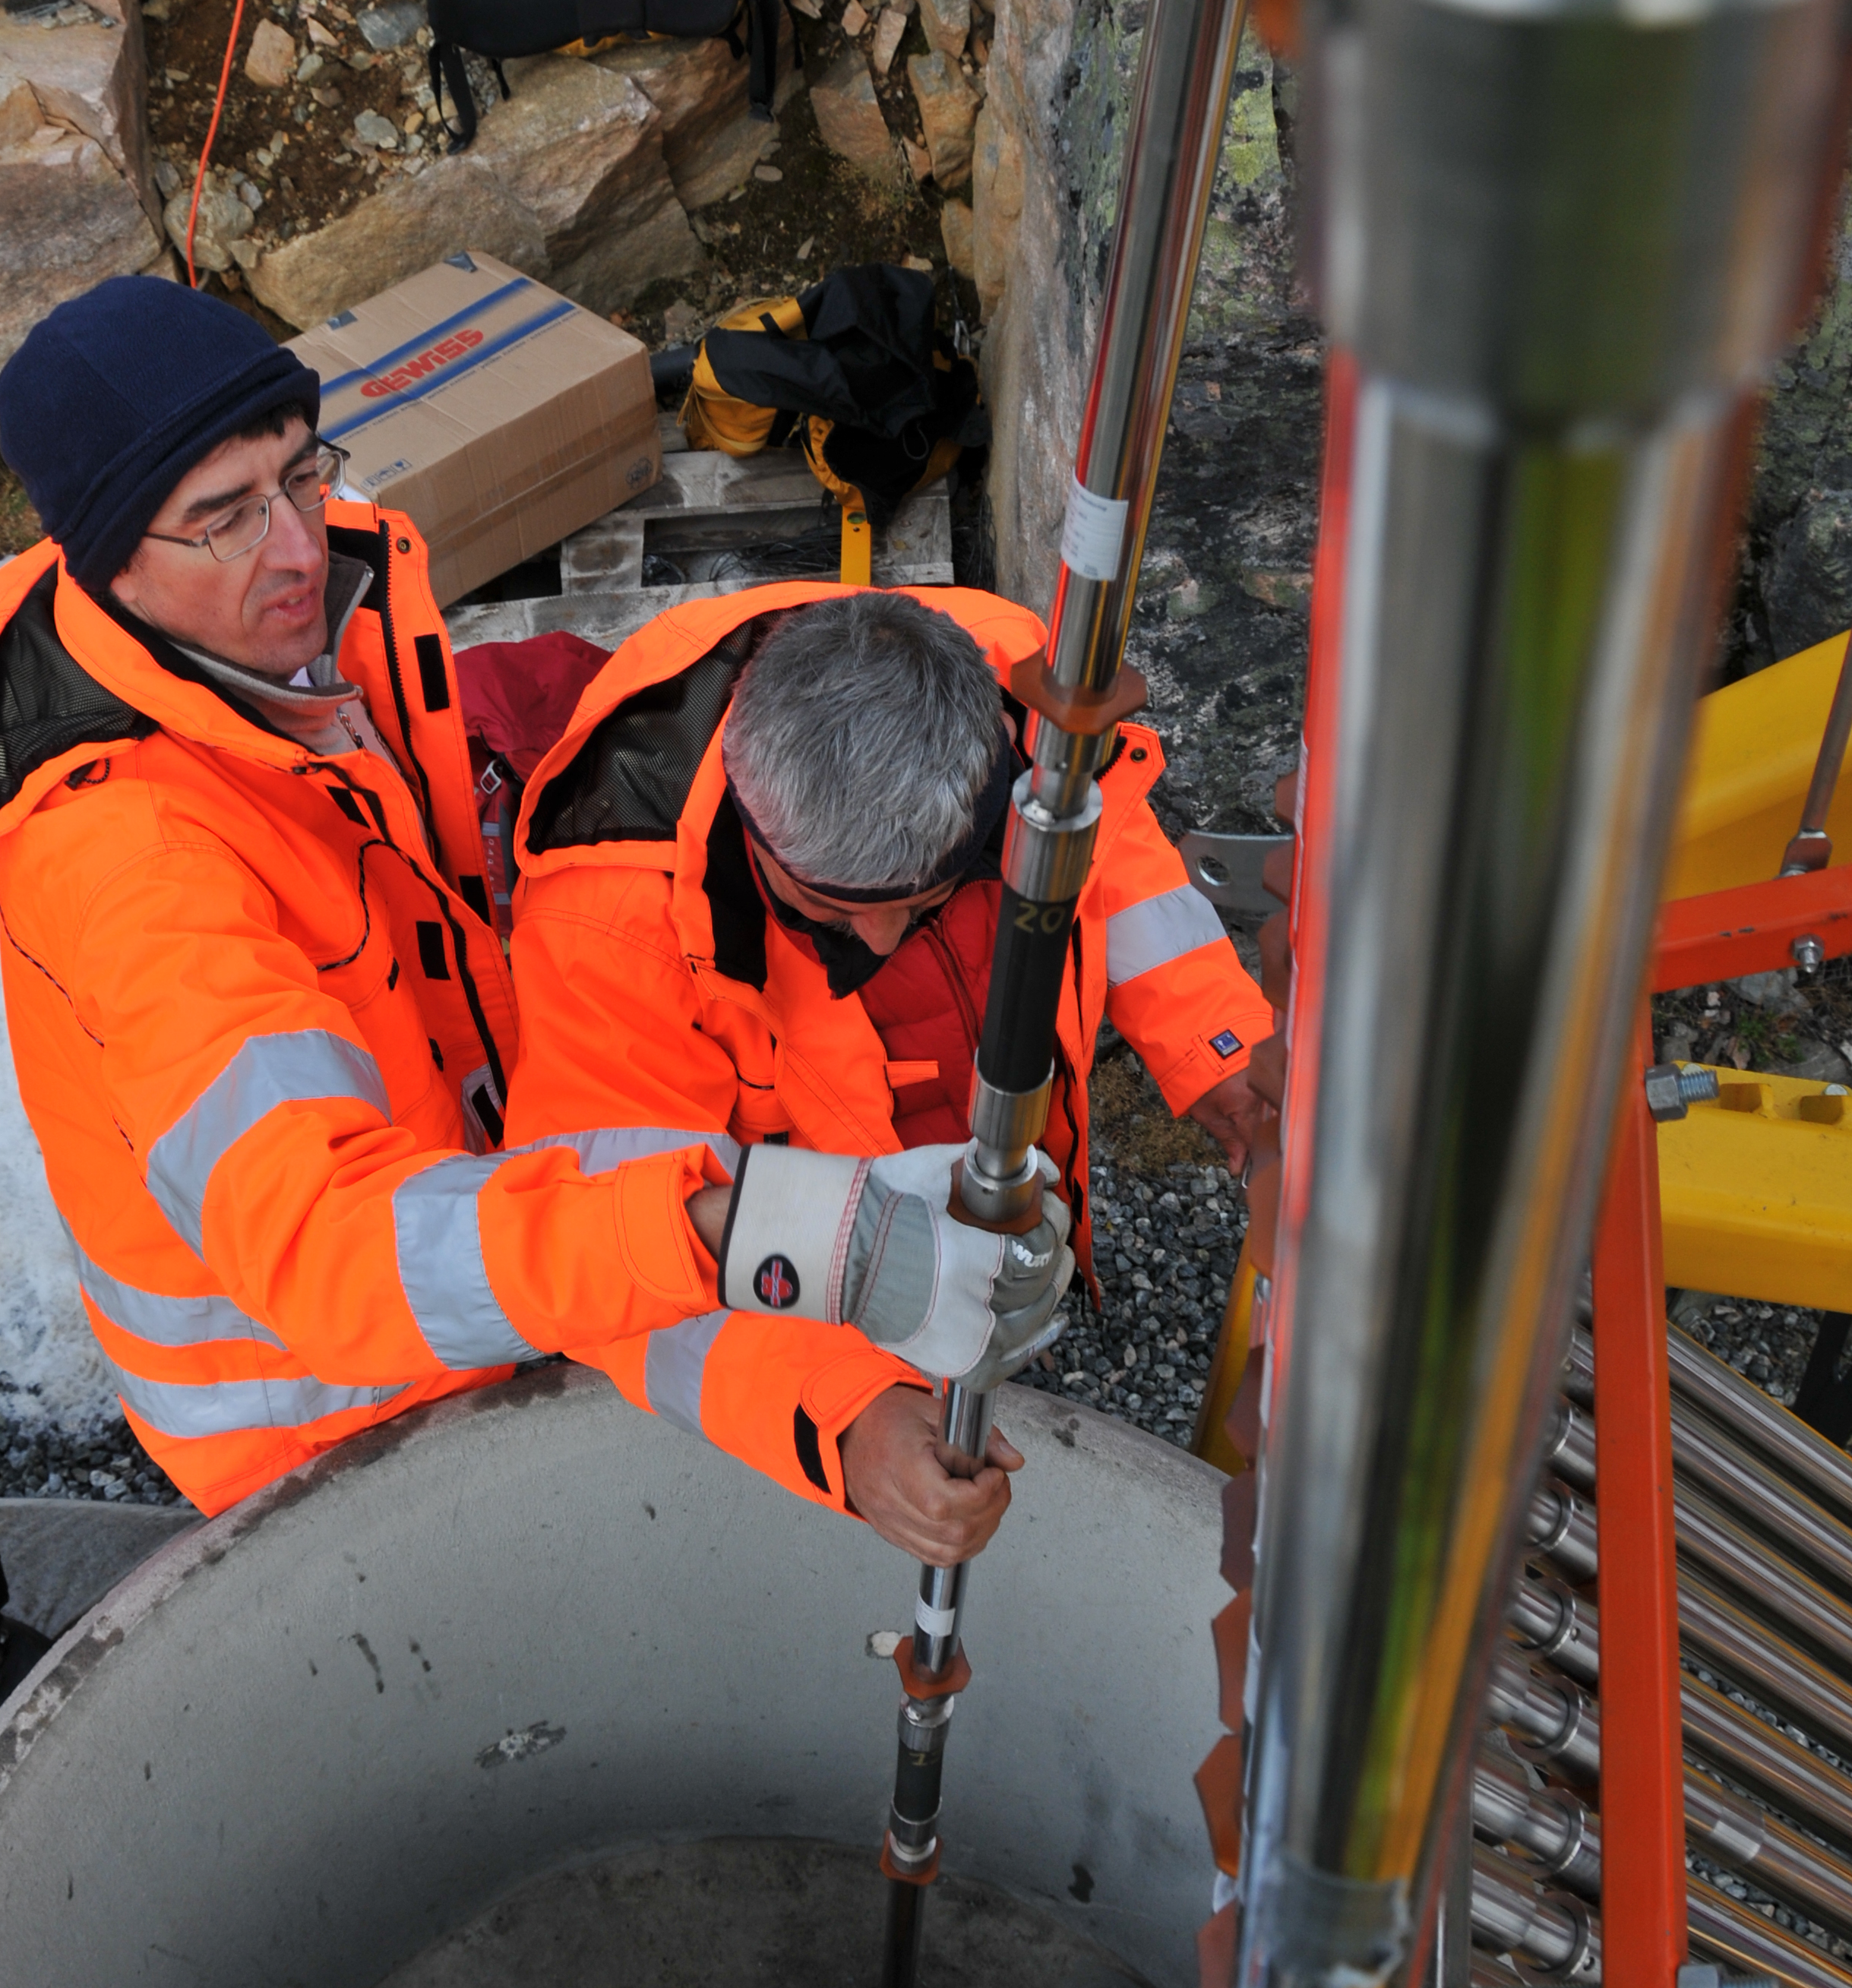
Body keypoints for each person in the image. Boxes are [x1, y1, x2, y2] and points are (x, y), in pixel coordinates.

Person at [0, 280, 1065, 1518]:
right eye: (223, 519)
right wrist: (764, 1227)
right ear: (105, 561)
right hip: (329, 1437)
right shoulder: (133, 864)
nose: (293, 544)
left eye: (297, 472)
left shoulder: (306, 642)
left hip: (490, 1274)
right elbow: (327, 1247)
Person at [501, 583, 1276, 1563]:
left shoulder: (1030, 695)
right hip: (806, 1328)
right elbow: (610, 1258)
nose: (878, 936)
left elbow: (1121, 874)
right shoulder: (604, 921)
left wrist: (1224, 1054)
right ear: (750, 819)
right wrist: (849, 1417)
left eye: (926, 898)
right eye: (828, 906)